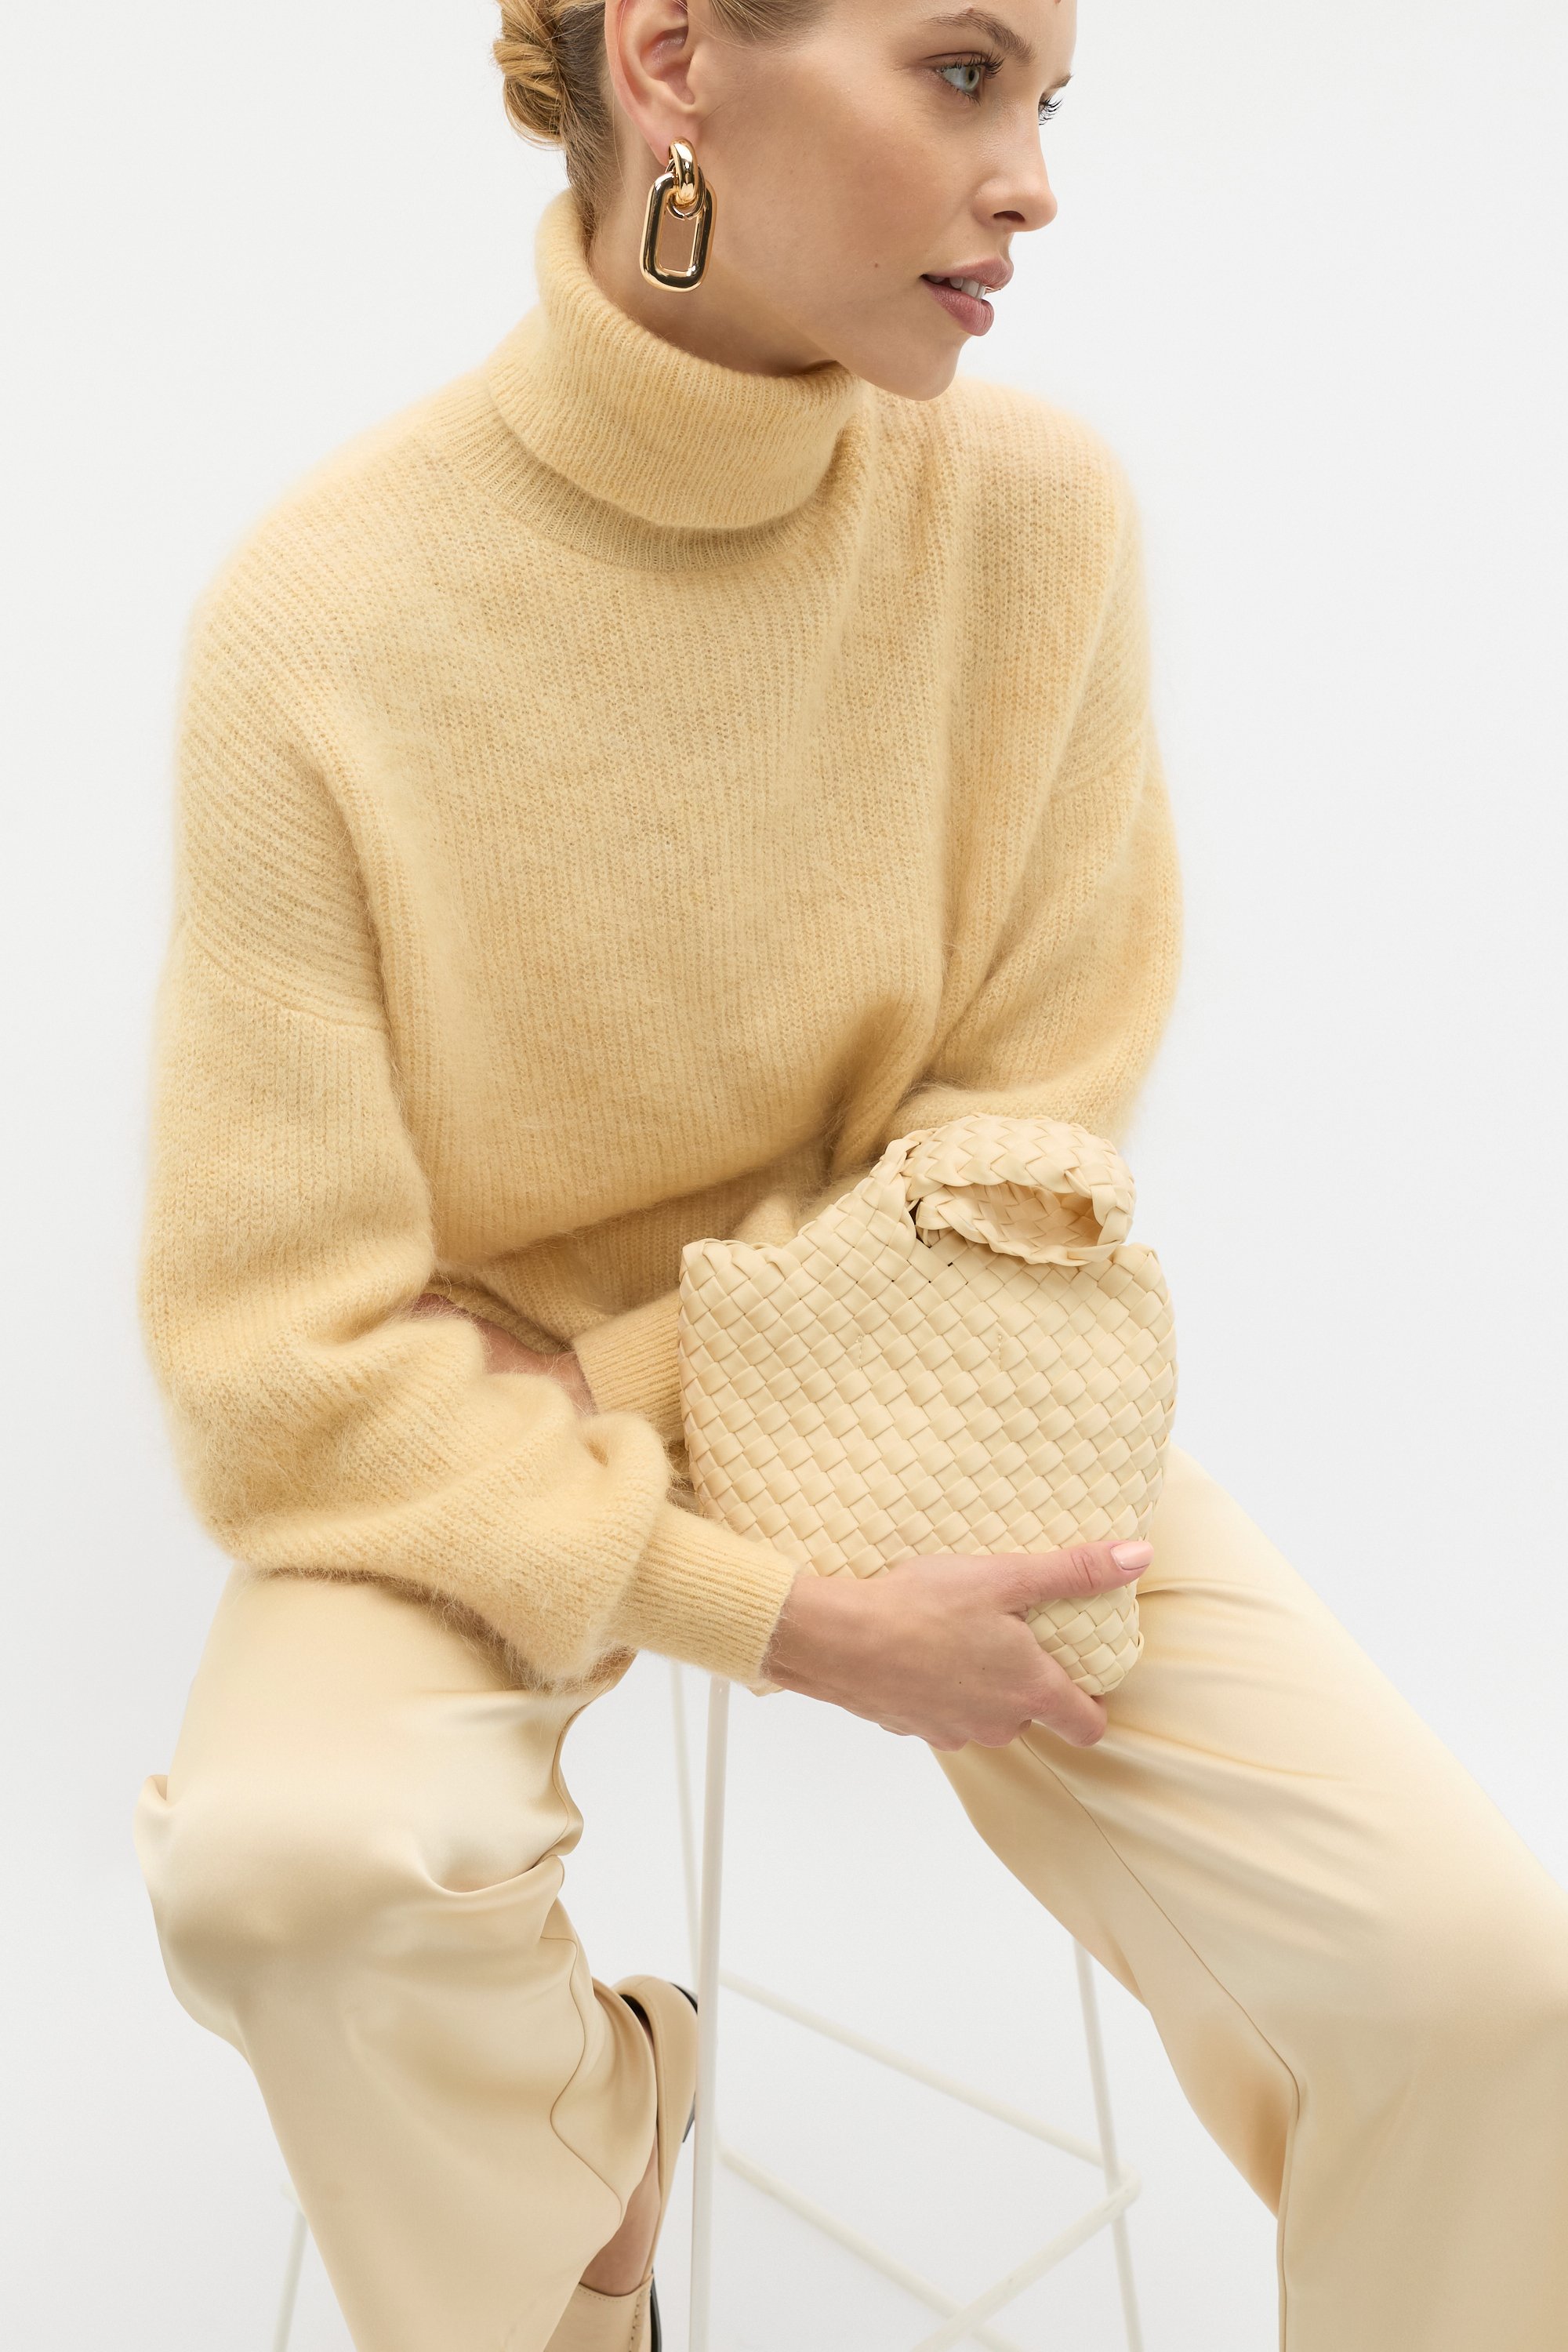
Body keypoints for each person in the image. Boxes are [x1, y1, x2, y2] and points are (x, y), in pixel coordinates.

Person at [130, 4, 1568, 2348]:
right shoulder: (324, 622)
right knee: (289, 1877)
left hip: (935, 1390)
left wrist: (611, 1370)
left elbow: (1027, 1130)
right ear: (676, 62)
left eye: (1049, 99)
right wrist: (773, 1612)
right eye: (965, 72)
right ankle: (592, 2192)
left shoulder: (1034, 524)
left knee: (1482, 1985)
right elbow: (275, 1359)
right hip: (480, 1473)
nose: (1035, 181)